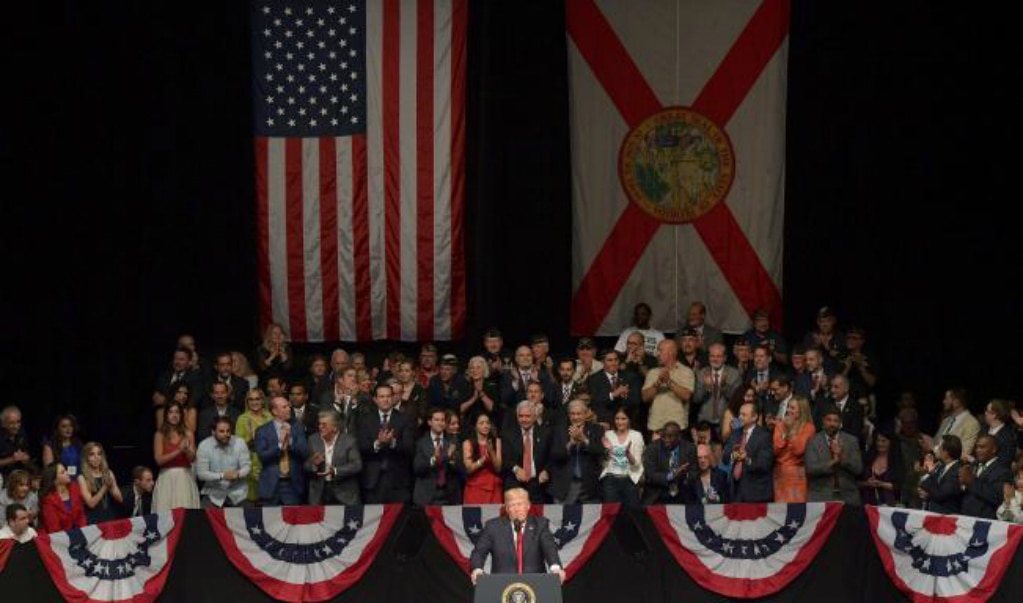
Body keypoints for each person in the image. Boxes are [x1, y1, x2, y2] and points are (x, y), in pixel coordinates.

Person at [469, 487, 564, 585]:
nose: (516, 509)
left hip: (535, 585)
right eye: (512, 505)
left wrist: (556, 569)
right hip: (501, 585)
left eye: (520, 504)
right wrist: (477, 569)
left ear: (528, 505)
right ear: (506, 509)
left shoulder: (540, 525)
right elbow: (479, 552)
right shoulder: (493, 526)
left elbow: (550, 549)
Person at [356, 383, 415, 504]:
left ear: (393, 398)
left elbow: (410, 448)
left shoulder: (405, 418)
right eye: (382, 396)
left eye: (388, 396)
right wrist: (378, 443)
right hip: (373, 482)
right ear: (375, 399)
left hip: (398, 482)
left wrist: (392, 442)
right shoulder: (365, 419)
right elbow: (361, 447)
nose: (385, 399)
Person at [255, 396, 309, 506]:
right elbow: (262, 456)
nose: (289, 408)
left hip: (292, 486)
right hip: (270, 486)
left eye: (288, 406)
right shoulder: (262, 431)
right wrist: (280, 445)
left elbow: (304, 452)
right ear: (274, 411)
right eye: (284, 407)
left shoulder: (297, 428)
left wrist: (289, 442)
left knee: (293, 522)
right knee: (270, 522)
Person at [549, 400, 604, 504]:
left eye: (579, 414)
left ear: (585, 414)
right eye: (572, 414)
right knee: (563, 519)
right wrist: (570, 443)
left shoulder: (597, 429)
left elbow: (600, 451)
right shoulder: (559, 430)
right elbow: (555, 455)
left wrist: (584, 439)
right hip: (564, 485)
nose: (575, 417)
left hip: (589, 485)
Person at [805, 406, 862, 504]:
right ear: (823, 421)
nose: (832, 424)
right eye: (829, 420)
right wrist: (832, 462)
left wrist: (842, 458)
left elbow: (858, 469)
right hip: (821, 496)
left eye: (836, 421)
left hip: (848, 497)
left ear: (840, 423)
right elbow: (810, 469)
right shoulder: (813, 441)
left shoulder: (851, 441)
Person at [152, 402, 201, 512]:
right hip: (166, 477)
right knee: (165, 511)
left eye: (177, 412)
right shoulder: (159, 434)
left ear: (181, 415)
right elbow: (159, 460)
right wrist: (179, 450)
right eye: (171, 412)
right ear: (166, 415)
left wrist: (187, 450)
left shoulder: (188, 433)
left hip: (184, 477)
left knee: (185, 512)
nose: (174, 415)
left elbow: (192, 458)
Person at [306, 410, 362, 505]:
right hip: (320, 493)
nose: (320, 427)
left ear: (335, 428)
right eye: (319, 424)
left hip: (344, 493)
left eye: (324, 425)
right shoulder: (313, 440)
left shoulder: (349, 441)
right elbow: (306, 465)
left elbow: (357, 465)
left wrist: (335, 471)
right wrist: (314, 464)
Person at [500, 401, 553, 503]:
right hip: (515, 484)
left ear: (534, 416)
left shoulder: (545, 433)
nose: (524, 419)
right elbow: (505, 458)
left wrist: (546, 470)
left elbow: (551, 456)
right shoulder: (508, 434)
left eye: (528, 416)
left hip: (538, 485)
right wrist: (515, 468)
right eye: (521, 416)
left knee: (537, 517)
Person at [196, 417, 252, 508]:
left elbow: (247, 467)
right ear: (213, 432)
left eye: (228, 431)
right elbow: (201, 474)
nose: (226, 434)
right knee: (202, 516)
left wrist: (237, 474)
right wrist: (222, 476)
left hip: (238, 493)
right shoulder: (204, 446)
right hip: (213, 494)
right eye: (221, 431)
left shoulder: (240, 443)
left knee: (250, 517)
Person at [642, 339, 695, 435]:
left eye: (660, 350)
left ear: (671, 352)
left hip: (677, 427)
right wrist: (658, 383)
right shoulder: (652, 372)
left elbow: (686, 395)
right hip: (655, 426)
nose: (657, 354)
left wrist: (668, 382)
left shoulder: (686, 372)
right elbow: (645, 397)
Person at [726, 401, 775, 503]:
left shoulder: (764, 436)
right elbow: (724, 456)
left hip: (756, 493)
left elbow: (765, 464)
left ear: (754, 417)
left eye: (744, 415)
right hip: (735, 490)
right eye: (739, 414)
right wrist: (732, 455)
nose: (739, 417)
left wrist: (747, 459)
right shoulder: (735, 433)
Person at [413, 408, 461, 506]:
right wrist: (434, 459)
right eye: (437, 420)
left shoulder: (453, 441)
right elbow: (417, 468)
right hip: (426, 495)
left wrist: (453, 461)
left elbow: (460, 468)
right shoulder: (421, 443)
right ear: (430, 422)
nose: (440, 423)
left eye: (442, 420)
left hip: (448, 495)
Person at [642, 421, 697, 505]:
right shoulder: (652, 448)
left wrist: (684, 475)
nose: (666, 440)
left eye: (670, 437)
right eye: (664, 436)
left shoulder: (690, 448)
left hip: (682, 493)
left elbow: (694, 472)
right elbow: (650, 474)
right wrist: (671, 475)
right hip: (658, 494)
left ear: (679, 436)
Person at [772, 397, 816, 503]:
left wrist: (790, 431)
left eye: (792, 408)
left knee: (797, 512)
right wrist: (785, 432)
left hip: (798, 476)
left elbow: (799, 450)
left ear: (801, 410)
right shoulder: (780, 425)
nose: (788, 410)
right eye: (788, 407)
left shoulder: (808, 427)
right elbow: (776, 450)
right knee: (781, 512)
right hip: (780, 474)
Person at [600, 408, 644, 508]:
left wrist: (628, 454)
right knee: (611, 514)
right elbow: (603, 460)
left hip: (629, 480)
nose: (620, 422)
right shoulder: (608, 434)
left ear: (629, 420)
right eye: (617, 418)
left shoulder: (637, 436)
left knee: (631, 514)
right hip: (610, 480)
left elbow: (637, 465)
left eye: (623, 419)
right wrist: (607, 453)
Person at [959, 434, 1012, 519]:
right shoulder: (973, 466)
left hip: (984, 521)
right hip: (965, 518)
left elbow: (996, 497)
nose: (977, 450)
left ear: (994, 449)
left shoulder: (1003, 471)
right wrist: (961, 484)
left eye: (982, 447)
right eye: (976, 447)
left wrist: (971, 481)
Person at [235, 388, 272, 502]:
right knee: (252, 502)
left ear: (262, 400)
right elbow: (238, 447)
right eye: (250, 399)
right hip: (250, 464)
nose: (254, 402)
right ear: (247, 402)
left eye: (257, 399)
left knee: (268, 501)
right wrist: (251, 440)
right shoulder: (242, 419)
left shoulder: (270, 417)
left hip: (268, 463)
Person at [77, 442, 123, 524]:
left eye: (99, 454)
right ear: (86, 457)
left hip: (109, 517)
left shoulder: (108, 473)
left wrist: (111, 486)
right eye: (92, 454)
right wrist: (105, 487)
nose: (96, 457)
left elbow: (120, 499)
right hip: (93, 520)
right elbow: (91, 504)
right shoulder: (82, 477)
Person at [463, 413, 503, 504]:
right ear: (475, 426)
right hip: (475, 488)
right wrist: (482, 459)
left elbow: (498, 468)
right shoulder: (468, 443)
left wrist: (492, 452)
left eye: (487, 423)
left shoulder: (497, 441)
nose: (485, 426)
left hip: (494, 488)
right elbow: (469, 469)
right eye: (481, 423)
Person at [918, 435, 963, 514]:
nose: (936, 449)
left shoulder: (957, 470)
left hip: (946, 516)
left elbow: (940, 494)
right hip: (933, 513)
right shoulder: (941, 466)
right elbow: (924, 485)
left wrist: (932, 472)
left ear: (946, 452)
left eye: (939, 446)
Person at [933, 388, 981, 458]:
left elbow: (964, 453)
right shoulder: (946, 421)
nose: (944, 401)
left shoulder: (971, 423)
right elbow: (936, 442)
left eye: (947, 399)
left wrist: (933, 448)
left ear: (957, 402)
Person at [39, 463, 86, 533]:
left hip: (79, 533)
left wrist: (83, 532)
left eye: (66, 470)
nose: (67, 473)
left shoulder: (74, 488)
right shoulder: (48, 500)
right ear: (54, 480)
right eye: (62, 472)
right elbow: (54, 529)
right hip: (60, 538)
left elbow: (81, 516)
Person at [859, 431, 903, 506]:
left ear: (890, 442)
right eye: (878, 441)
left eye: (883, 441)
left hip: (888, 505)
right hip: (866, 503)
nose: (880, 444)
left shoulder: (897, 461)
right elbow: (857, 481)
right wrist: (867, 483)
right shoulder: (867, 458)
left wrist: (881, 484)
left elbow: (899, 486)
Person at [0, 406, 35, 479]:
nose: (16, 426)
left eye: (18, 422)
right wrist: (12, 459)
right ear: (3, 424)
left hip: (19, 475)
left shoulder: (22, 433)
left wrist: (26, 459)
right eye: (11, 423)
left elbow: (26, 454)